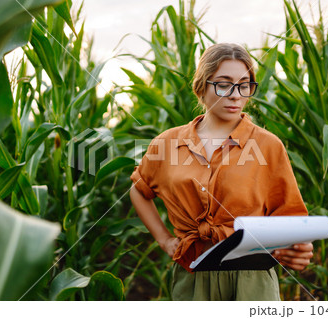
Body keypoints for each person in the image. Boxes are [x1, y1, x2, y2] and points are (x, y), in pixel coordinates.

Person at [129, 43, 313, 301]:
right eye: (224, 84)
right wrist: (164, 240)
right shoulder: (167, 143)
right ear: (202, 86)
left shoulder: (268, 146)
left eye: (244, 84)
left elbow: (290, 218)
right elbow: (139, 191)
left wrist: (299, 247)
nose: (236, 95)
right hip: (192, 278)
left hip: (253, 281)